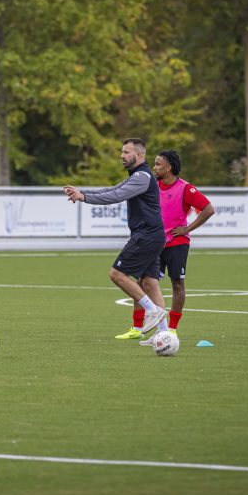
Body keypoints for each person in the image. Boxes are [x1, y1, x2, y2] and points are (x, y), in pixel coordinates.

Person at [64, 138, 169, 342]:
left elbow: (116, 196)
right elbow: (112, 189)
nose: (122, 155)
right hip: (153, 235)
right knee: (149, 282)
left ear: (139, 155)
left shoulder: (142, 176)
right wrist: (82, 192)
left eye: (127, 152)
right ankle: (164, 335)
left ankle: (152, 310)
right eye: (122, 152)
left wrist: (84, 198)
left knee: (117, 274)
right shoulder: (137, 175)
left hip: (147, 235)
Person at [116, 150, 215, 340]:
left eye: (158, 164)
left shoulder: (185, 188)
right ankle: (137, 328)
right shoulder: (151, 185)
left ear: (168, 167)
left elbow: (209, 209)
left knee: (177, 283)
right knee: (143, 283)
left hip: (177, 243)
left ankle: (171, 329)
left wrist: (187, 229)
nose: (154, 167)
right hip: (155, 242)